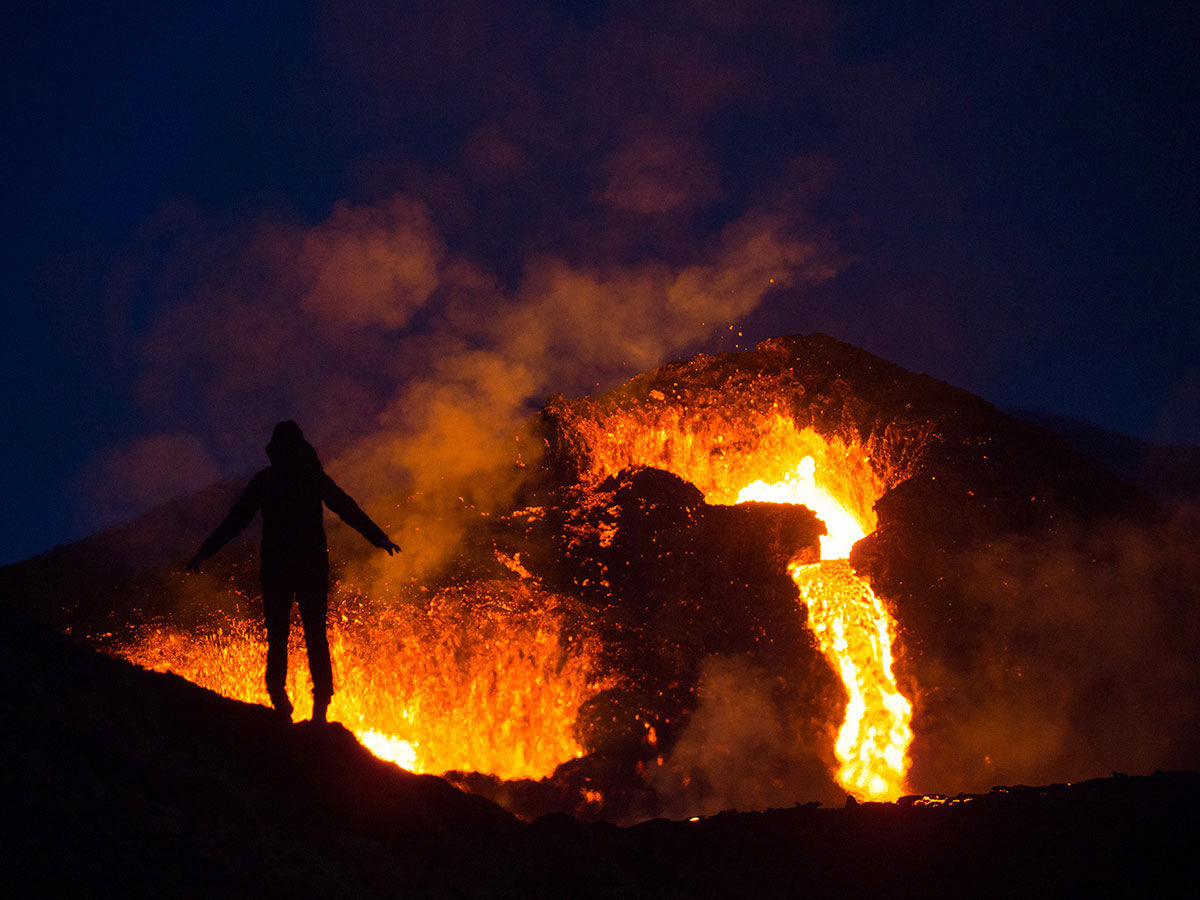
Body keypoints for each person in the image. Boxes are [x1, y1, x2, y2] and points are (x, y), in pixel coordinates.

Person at [186, 421, 400, 723]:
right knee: (314, 636)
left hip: (277, 568)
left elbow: (236, 520)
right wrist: (378, 538)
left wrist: (204, 553)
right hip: (309, 566)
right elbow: (346, 507)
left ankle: (282, 703)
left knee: (279, 636)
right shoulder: (310, 477)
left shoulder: (268, 480)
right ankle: (318, 710)